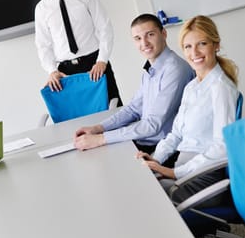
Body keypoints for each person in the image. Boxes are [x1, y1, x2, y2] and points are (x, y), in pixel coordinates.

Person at [137, 15, 239, 204]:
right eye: (188, 47)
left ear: (215, 45)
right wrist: (155, 159)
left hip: (203, 177)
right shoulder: (191, 87)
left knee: (143, 196)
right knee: (138, 182)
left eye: (202, 44)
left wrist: (174, 172)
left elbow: (222, 147)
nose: (195, 52)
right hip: (183, 170)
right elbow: (175, 134)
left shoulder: (221, 88)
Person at [73, 14, 194, 156]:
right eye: (138, 38)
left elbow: (152, 125)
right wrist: (98, 128)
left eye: (150, 35)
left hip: (163, 151)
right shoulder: (151, 68)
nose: (144, 43)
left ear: (163, 33)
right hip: (146, 142)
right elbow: (132, 110)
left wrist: (101, 139)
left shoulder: (175, 69)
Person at [34, 0, 122, 106]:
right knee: (77, 118)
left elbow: (105, 27)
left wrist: (102, 60)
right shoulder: (41, 8)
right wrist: (52, 71)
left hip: (95, 64)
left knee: (113, 111)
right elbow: (43, 45)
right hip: (65, 72)